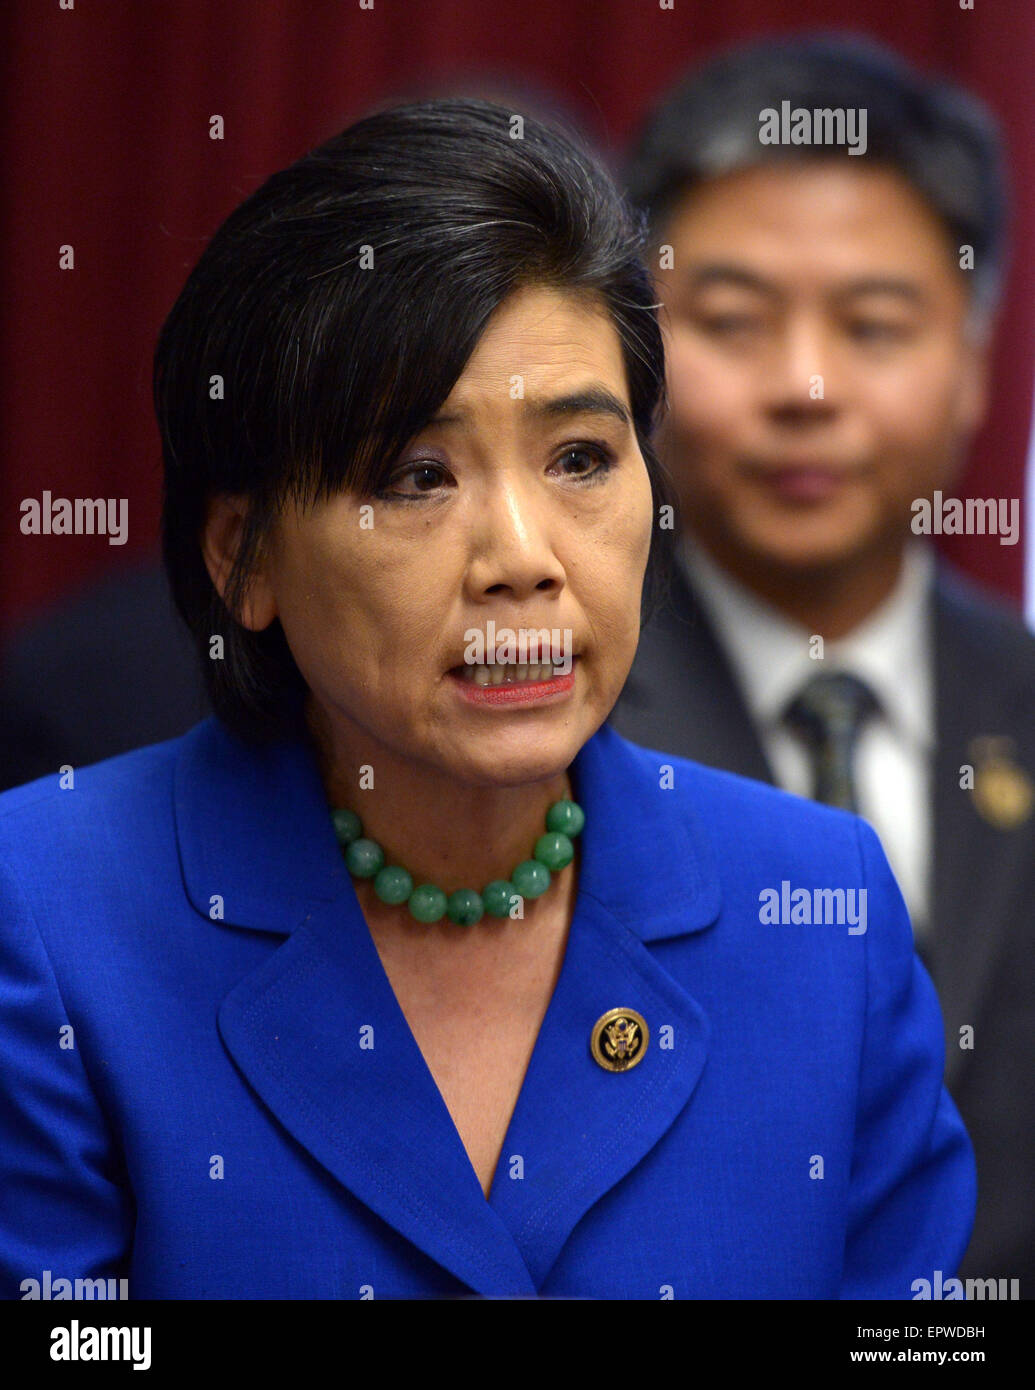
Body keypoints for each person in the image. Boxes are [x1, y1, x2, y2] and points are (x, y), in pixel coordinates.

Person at [0, 97, 973, 1300]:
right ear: (243, 557)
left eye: (580, 459)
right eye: (416, 476)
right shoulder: (48, 906)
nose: (524, 554)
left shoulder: (823, 907)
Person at [608, 36, 1035, 1290]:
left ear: (971, 358)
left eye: (873, 324)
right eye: (735, 321)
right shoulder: (531, 714)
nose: (805, 386)